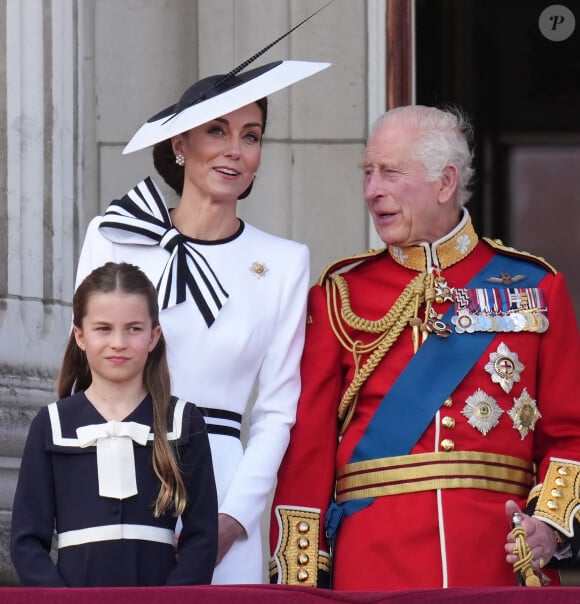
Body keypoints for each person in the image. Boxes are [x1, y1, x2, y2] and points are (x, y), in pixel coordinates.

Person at [269, 105, 580, 590]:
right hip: (372, 566)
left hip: (497, 562)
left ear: (445, 182)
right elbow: (306, 456)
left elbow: (570, 433)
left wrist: (551, 526)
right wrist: (300, 583)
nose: (373, 190)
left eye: (391, 172)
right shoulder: (338, 295)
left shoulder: (536, 286)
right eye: (368, 173)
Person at [73, 58, 329, 584]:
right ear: (180, 144)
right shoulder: (114, 236)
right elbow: (82, 374)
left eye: (251, 135)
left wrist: (232, 519)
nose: (235, 149)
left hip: (221, 484)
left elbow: (278, 410)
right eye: (217, 130)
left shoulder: (284, 261)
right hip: (116, 468)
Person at [10, 262, 217, 587]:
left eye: (133, 328)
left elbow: (202, 540)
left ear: (153, 336)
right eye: (103, 329)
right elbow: (26, 543)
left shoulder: (183, 423)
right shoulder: (50, 425)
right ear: (80, 336)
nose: (118, 342)